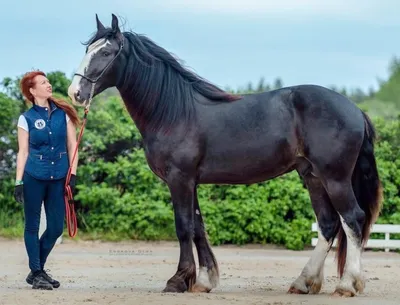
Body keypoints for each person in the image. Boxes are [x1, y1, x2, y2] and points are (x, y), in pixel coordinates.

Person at [13, 70, 80, 290]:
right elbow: (22, 152)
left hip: (59, 177)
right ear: (33, 91)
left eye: (48, 81)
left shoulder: (63, 114)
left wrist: (73, 174)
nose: (48, 84)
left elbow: (73, 146)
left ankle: (36, 270)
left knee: (55, 229)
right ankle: (38, 272)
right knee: (32, 226)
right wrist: (18, 182)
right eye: (43, 82)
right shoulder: (26, 118)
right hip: (33, 177)